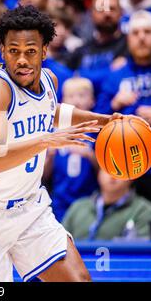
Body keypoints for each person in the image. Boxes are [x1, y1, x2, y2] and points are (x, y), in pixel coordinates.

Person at [0, 5, 146, 282]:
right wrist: (45, 140)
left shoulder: (49, 79)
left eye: (30, 50)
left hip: (31, 208)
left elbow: (51, 111)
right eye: (13, 51)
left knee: (79, 280)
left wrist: (104, 120)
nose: (22, 59)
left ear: (44, 51)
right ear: (3, 52)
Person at [96, 10, 151, 219]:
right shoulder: (116, 76)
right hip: (126, 174)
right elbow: (95, 121)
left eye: (148, 31)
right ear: (128, 38)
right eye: (135, 33)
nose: (141, 37)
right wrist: (114, 103)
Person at [44, 77, 99, 221]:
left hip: (88, 198)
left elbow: (104, 171)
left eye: (81, 96)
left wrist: (89, 154)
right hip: (59, 198)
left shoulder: (97, 131)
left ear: (92, 100)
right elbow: (44, 175)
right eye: (71, 96)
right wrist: (50, 155)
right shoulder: (55, 131)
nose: (76, 101)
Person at [62, 170, 151, 241]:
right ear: (98, 173)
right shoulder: (78, 206)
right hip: (76, 267)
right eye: (107, 168)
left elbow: (143, 254)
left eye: (120, 169)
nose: (113, 175)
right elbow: (60, 244)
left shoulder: (143, 210)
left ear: (132, 176)